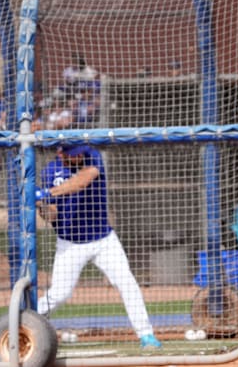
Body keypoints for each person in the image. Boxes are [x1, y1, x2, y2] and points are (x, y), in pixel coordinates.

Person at [35, 145, 162, 349]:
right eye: (74, 154)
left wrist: (47, 192)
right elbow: (52, 215)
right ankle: (23, 324)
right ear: (61, 153)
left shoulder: (92, 157)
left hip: (104, 240)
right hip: (70, 244)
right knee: (59, 293)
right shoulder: (50, 171)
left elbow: (82, 181)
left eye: (80, 153)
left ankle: (146, 336)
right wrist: (40, 203)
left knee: (127, 283)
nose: (79, 156)